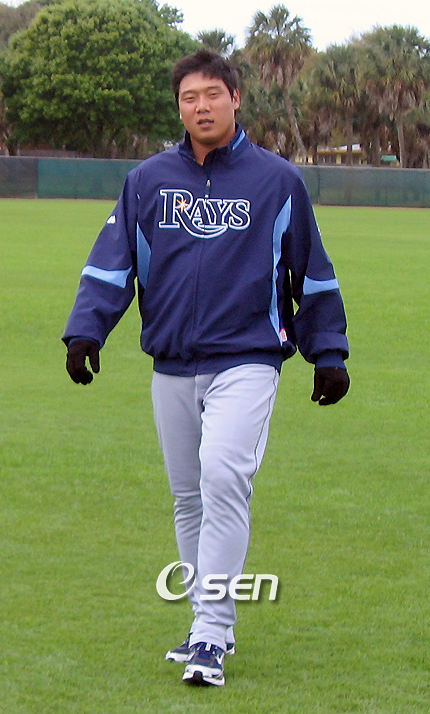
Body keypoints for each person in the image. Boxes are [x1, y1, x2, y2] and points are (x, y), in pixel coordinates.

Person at [63, 49, 350, 687]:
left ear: (235, 98)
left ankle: (212, 634)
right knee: (189, 496)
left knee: (222, 477)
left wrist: (327, 351)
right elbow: (113, 262)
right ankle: (204, 622)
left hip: (246, 358)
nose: (202, 106)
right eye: (189, 97)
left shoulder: (277, 181)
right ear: (179, 106)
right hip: (172, 363)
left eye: (213, 94)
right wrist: (87, 331)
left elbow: (311, 269)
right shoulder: (147, 181)